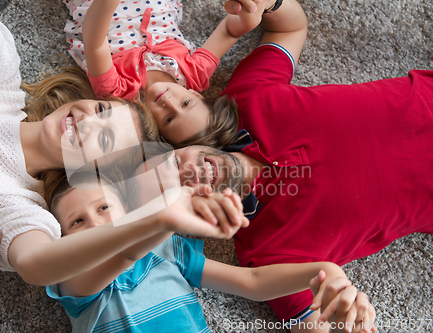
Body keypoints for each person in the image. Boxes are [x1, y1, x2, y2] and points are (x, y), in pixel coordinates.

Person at [168, 0, 433, 331]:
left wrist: (270, 3)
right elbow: (310, 322)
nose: (189, 173)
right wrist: (342, 317)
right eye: (179, 188)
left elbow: (289, 27)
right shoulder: (266, 253)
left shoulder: (243, 100)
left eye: (174, 162)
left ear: (185, 146)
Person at [0, 10, 238, 292]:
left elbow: (36, 265)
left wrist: (156, 223)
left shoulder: (18, 209)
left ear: (92, 171)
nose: (88, 122)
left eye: (103, 140)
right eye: (101, 110)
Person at [43, 167, 376, 333]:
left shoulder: (165, 250)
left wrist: (325, 272)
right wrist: (164, 219)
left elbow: (253, 282)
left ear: (130, 212)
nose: (96, 225)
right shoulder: (72, 279)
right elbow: (125, 254)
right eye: (77, 223)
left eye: (104, 208)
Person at [62, 0, 271, 148]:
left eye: (169, 119)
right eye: (186, 104)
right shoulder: (193, 75)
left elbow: (95, 42)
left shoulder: (120, 95)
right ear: (196, 95)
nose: (169, 102)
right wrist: (249, 20)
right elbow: (228, 31)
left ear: (152, 129)